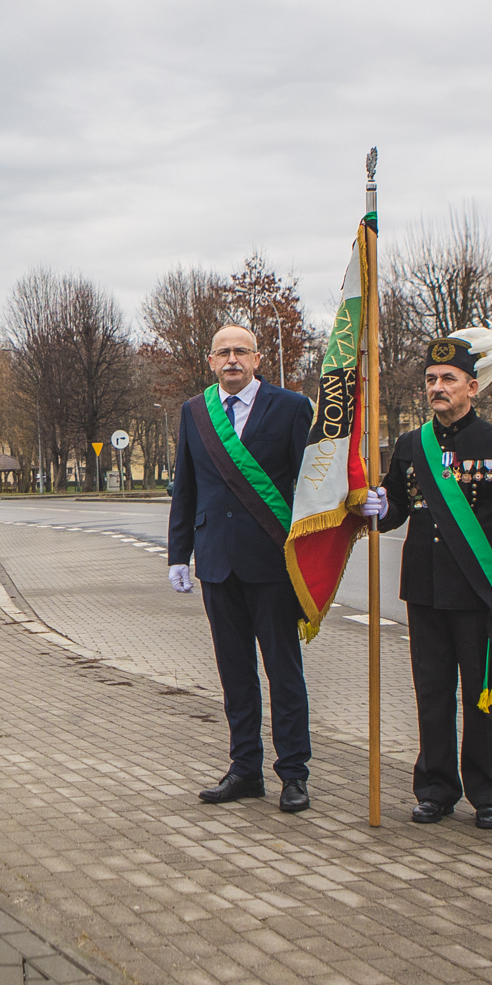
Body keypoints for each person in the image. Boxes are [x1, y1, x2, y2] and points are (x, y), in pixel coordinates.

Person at [359, 329, 492, 829]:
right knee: (431, 694)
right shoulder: (412, 445)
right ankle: (435, 787)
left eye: (448, 379)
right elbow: (395, 513)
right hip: (426, 589)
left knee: (483, 695)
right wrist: (376, 506)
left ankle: (491, 791)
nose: (437, 387)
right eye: (431, 379)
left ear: (472, 387)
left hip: (479, 592)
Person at [169, 325, 316, 812]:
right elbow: (184, 489)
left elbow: (312, 483)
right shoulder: (194, 413)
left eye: (241, 352)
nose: (232, 360)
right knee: (235, 675)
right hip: (216, 563)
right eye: (222, 353)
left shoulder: (292, 408)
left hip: (272, 561)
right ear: (210, 361)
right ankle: (245, 770)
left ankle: (294, 774)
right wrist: (178, 555)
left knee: (283, 672)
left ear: (257, 359)